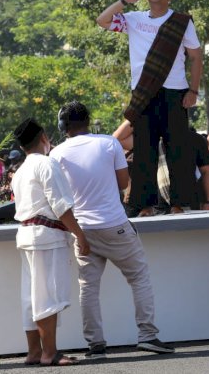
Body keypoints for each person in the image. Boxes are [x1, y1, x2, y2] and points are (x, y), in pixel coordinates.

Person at [50, 102, 174, 358]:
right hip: (114, 225)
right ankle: (147, 335)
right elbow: (123, 182)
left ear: (63, 126)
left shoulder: (57, 154)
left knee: (89, 287)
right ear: (88, 120)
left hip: (83, 230)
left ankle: (96, 345)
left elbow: (59, 195)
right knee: (138, 277)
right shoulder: (108, 143)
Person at [96, 0, 202, 217]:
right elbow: (102, 20)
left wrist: (194, 90)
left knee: (177, 148)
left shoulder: (182, 22)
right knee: (145, 149)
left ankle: (179, 203)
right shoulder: (133, 18)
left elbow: (196, 57)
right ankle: (144, 205)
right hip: (144, 93)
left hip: (175, 92)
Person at [11, 117, 90, 367]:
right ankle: (49, 353)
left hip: (28, 234)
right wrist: (80, 234)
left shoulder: (20, 171)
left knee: (31, 297)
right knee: (46, 297)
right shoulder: (46, 163)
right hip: (46, 235)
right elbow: (61, 206)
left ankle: (35, 352)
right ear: (43, 137)